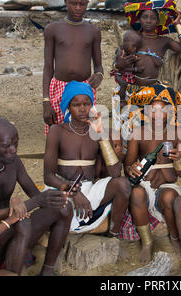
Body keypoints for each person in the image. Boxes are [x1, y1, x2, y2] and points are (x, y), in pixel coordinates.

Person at [0, 118, 74, 276]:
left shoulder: (13, 162)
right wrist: (31, 204)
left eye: (16, 143)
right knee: (23, 221)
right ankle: (11, 273)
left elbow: (36, 195)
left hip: (11, 232)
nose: (14, 149)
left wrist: (58, 195)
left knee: (64, 207)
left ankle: (47, 271)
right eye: (6, 146)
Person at [44, 81, 131, 236]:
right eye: (76, 104)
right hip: (63, 188)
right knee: (61, 210)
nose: (83, 109)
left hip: (89, 189)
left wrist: (101, 136)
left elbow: (116, 173)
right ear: (68, 107)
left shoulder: (97, 132)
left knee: (123, 184)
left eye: (87, 104)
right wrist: (75, 193)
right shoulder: (56, 131)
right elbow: (48, 176)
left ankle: (113, 234)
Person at [124, 84, 181, 263]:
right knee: (136, 193)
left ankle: (175, 238)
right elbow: (128, 165)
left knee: (168, 197)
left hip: (167, 184)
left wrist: (177, 159)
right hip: (145, 183)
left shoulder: (178, 133)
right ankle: (147, 242)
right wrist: (132, 167)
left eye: (163, 111)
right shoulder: (138, 133)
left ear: (171, 112)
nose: (158, 115)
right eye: (153, 111)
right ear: (146, 112)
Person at [112, 0, 181, 145]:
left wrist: (178, 25)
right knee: (130, 133)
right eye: (145, 17)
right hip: (130, 92)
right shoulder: (132, 38)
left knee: (150, 130)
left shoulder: (163, 41)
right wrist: (119, 64)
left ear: (158, 21)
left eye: (153, 17)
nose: (148, 20)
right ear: (139, 19)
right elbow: (117, 63)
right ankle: (131, 163)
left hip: (152, 93)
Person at [43, 0, 103, 135]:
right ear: (65, 2)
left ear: (87, 4)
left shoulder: (93, 31)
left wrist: (99, 75)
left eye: (82, 4)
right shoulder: (53, 29)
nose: (78, 7)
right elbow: (48, 67)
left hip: (84, 89)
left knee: (86, 130)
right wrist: (46, 101)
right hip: (59, 88)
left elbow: (98, 66)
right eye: (73, 3)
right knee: (59, 131)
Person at [111, 30, 143, 108]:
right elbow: (122, 66)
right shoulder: (121, 52)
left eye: (136, 47)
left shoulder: (130, 50)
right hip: (120, 73)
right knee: (123, 84)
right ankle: (122, 100)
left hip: (127, 73)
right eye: (133, 46)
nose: (135, 49)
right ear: (125, 42)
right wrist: (135, 69)